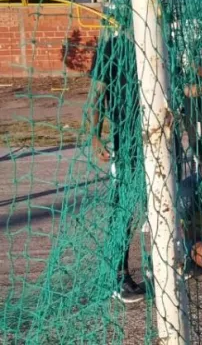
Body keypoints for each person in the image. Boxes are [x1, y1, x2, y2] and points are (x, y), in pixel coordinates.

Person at [88, 35, 146, 304]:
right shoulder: (113, 47)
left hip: (161, 140)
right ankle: (118, 274)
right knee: (125, 206)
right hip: (127, 141)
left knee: (163, 204)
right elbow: (97, 94)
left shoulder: (162, 41)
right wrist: (95, 135)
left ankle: (170, 264)